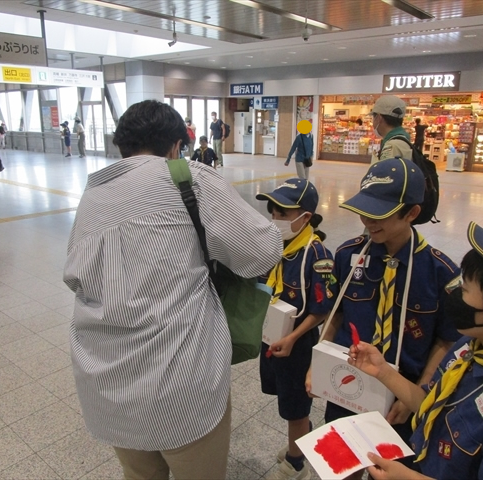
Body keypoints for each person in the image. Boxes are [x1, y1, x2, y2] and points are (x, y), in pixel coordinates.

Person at [63, 99, 282, 480]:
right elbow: (261, 253)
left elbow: (75, 278)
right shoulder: (188, 177)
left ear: (123, 147)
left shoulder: (92, 195)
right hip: (182, 383)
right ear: (176, 146)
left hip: (107, 383)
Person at [350, 222, 483, 480]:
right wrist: (383, 372)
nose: (453, 292)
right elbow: (433, 405)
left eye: (465, 289)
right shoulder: (473, 345)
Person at [309, 158, 460, 477]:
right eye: (364, 210)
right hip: (347, 386)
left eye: (380, 214)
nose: (368, 221)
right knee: (342, 468)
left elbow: (445, 341)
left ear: (412, 213)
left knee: (388, 472)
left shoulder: (440, 274)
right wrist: (316, 364)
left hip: (400, 399)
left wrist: (415, 393)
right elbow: (335, 316)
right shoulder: (348, 256)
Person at [256, 178, 336, 480]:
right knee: (282, 395)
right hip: (274, 336)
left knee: (294, 407)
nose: (276, 220)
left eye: (284, 215)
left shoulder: (318, 256)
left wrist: (292, 338)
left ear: (305, 218)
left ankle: (297, 462)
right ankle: (300, 440)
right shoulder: (278, 246)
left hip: (297, 342)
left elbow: (321, 309)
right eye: (274, 213)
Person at [371, 95, 412, 162]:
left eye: (373, 117)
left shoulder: (392, 146)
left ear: (378, 118)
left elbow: (384, 171)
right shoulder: (402, 139)